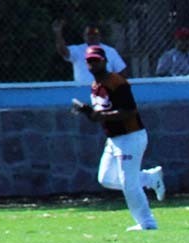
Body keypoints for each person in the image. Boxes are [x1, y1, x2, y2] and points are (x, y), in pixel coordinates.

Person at [72, 45, 165, 231]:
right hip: (114, 139)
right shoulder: (95, 86)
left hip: (130, 136)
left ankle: (147, 223)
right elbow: (100, 113)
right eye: (90, 61)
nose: (93, 64)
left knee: (128, 184)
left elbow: (130, 111)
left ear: (105, 61)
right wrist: (87, 112)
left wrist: (101, 116)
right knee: (106, 178)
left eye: (96, 60)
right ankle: (148, 179)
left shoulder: (116, 82)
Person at [53, 20, 128, 83]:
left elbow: (122, 72)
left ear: (100, 36)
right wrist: (58, 33)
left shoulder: (110, 51)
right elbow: (63, 51)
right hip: (82, 92)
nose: (92, 37)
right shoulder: (77, 50)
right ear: (84, 36)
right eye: (89, 34)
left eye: (95, 34)